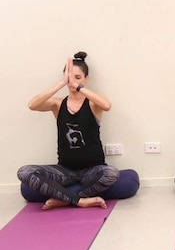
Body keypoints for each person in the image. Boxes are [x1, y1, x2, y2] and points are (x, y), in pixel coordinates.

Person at [17, 52, 118, 209]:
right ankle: (80, 200)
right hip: (65, 171)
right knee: (25, 172)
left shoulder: (92, 104)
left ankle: (65, 199)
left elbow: (107, 105)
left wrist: (78, 86)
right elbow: (32, 105)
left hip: (93, 170)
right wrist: (61, 83)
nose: (73, 82)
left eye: (77, 77)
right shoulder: (57, 104)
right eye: (70, 77)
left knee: (111, 174)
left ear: (86, 79)